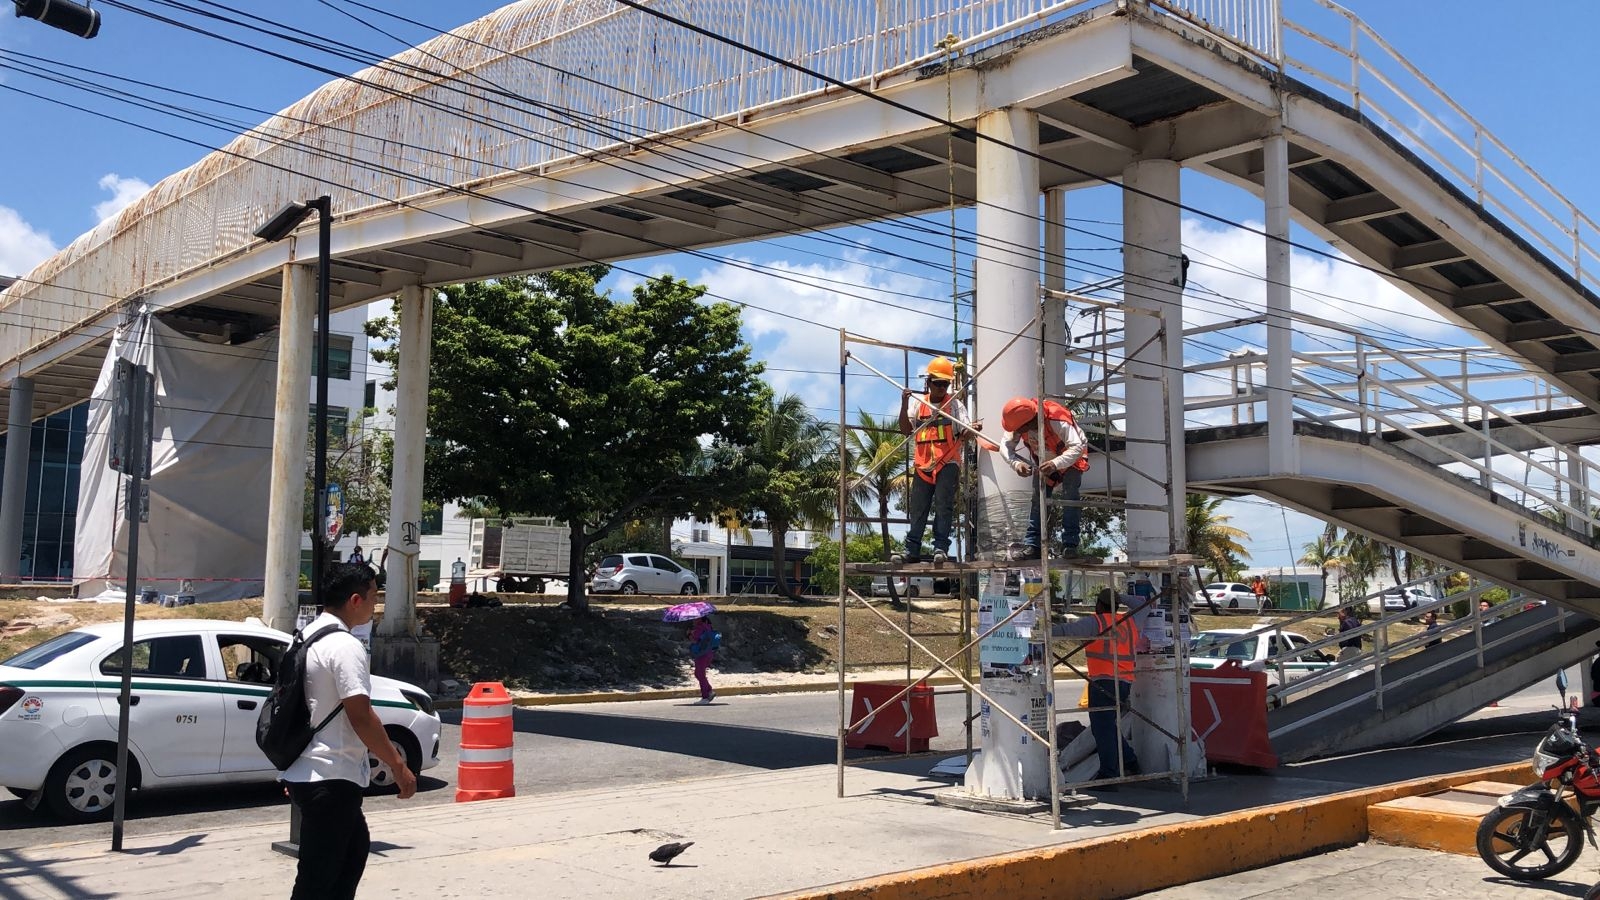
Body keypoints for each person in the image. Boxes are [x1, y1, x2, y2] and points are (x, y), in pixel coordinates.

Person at [282, 563, 417, 900]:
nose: (376, 604)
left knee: (352, 854)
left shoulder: (305, 638)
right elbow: (361, 716)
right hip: (330, 777)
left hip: (312, 773)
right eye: (374, 596)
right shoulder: (344, 646)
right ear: (356, 600)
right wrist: (397, 766)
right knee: (317, 880)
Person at [895, 357, 982, 565]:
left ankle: (940, 548)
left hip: (947, 462)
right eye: (938, 383)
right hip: (923, 464)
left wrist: (973, 430)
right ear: (929, 382)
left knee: (944, 507)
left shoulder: (954, 405)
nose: (942, 387)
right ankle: (911, 550)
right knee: (918, 508)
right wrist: (904, 401)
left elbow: (965, 432)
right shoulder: (918, 403)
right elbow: (906, 430)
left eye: (946, 384)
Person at [1053, 588, 1141, 786]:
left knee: (1102, 729)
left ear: (1099, 605)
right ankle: (1130, 760)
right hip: (1125, 682)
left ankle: (1109, 774)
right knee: (1108, 726)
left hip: (1103, 682)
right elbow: (1144, 604)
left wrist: (1039, 633)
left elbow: (1067, 630)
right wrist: (1121, 597)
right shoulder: (1131, 620)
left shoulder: (1096, 622)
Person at [1000, 395, 1089, 560]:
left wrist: (1055, 464)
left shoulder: (1056, 418)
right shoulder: (1019, 420)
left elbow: (1077, 447)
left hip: (1071, 458)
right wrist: (1016, 464)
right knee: (1038, 499)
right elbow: (1005, 446)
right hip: (1045, 460)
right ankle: (1033, 545)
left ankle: (1070, 544)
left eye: (1020, 429)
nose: (1018, 433)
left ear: (1030, 422)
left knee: (1070, 496)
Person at [688, 615, 717, 705]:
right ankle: (709, 691)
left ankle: (705, 697)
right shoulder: (708, 626)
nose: (693, 619)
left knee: (700, 674)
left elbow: (695, 640)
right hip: (708, 653)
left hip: (702, 654)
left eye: (694, 618)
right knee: (698, 674)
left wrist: (689, 634)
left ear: (699, 618)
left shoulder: (700, 627)